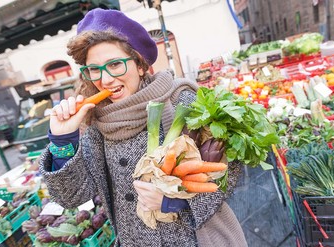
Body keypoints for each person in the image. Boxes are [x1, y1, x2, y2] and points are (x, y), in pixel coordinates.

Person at [39, 8, 247, 247]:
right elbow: (71, 196)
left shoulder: (180, 101)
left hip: (194, 238)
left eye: (115, 64)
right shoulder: (96, 124)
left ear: (139, 64)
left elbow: (229, 170)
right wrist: (63, 140)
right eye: (94, 69)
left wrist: (176, 202)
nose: (105, 80)